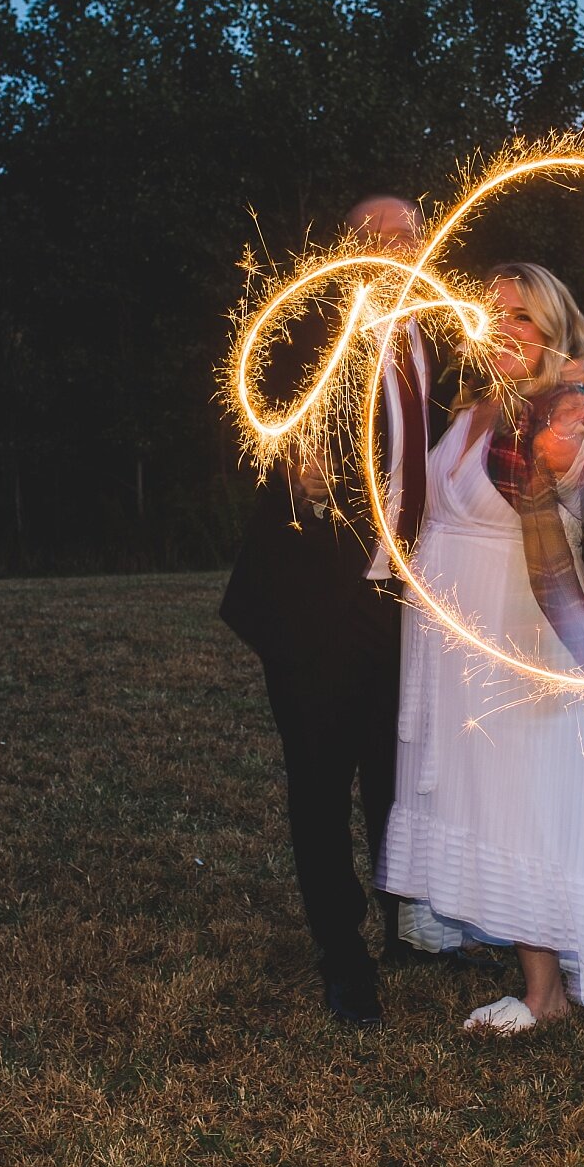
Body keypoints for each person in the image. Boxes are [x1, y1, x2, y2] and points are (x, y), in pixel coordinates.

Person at [376, 261, 584, 1060]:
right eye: (492, 313)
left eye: (521, 316)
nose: (503, 328)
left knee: (549, 815)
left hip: (524, 643)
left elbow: (567, 464)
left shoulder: (565, 401)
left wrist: (562, 451)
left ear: (551, 329)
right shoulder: (474, 404)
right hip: (458, 643)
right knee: (499, 811)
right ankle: (542, 993)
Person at [219, 196, 444, 1026]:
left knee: (398, 776)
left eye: (409, 237)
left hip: (400, 601)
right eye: (374, 239)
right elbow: (256, 425)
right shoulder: (312, 331)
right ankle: (341, 953)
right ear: (346, 251)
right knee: (320, 783)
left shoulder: (437, 336)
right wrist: (294, 480)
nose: (395, 251)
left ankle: (405, 924)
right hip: (316, 600)